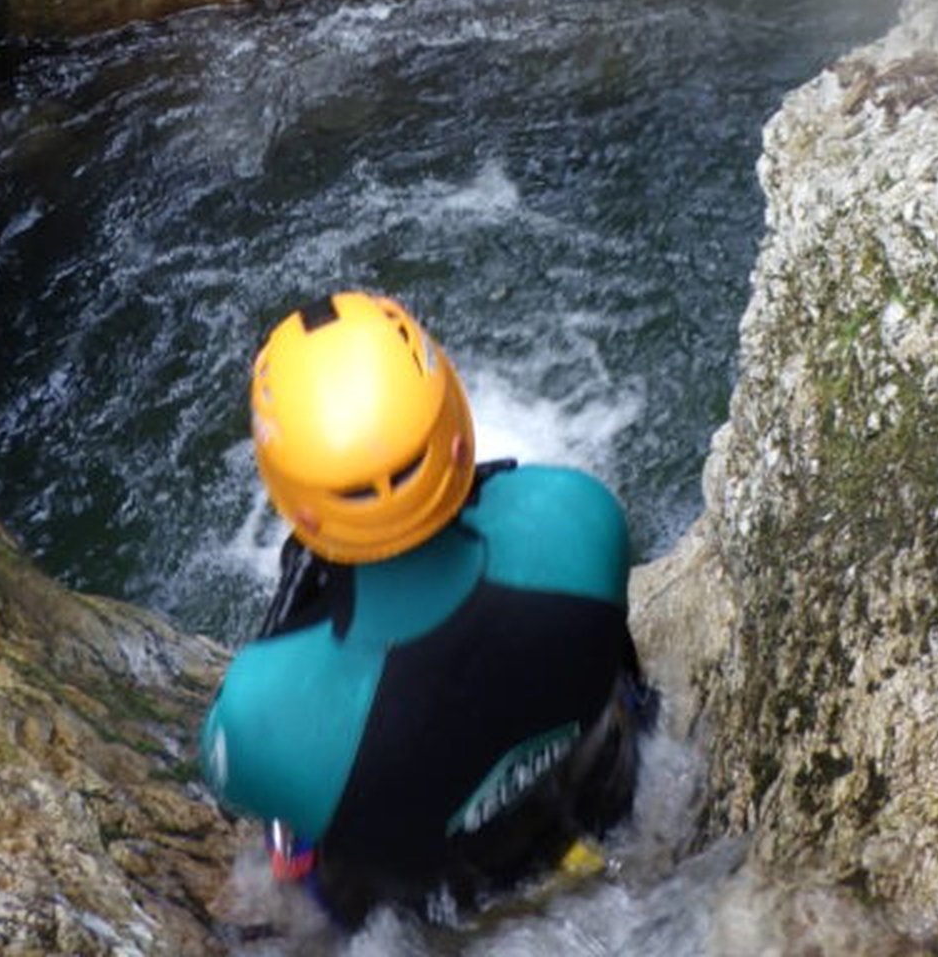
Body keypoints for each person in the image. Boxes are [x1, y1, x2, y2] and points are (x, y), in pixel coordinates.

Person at [199, 292, 648, 928]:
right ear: (456, 430)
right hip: (603, 797)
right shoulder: (578, 512)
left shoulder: (256, 710)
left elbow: (229, 785)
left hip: (421, 911)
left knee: (290, 826)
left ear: (291, 498)